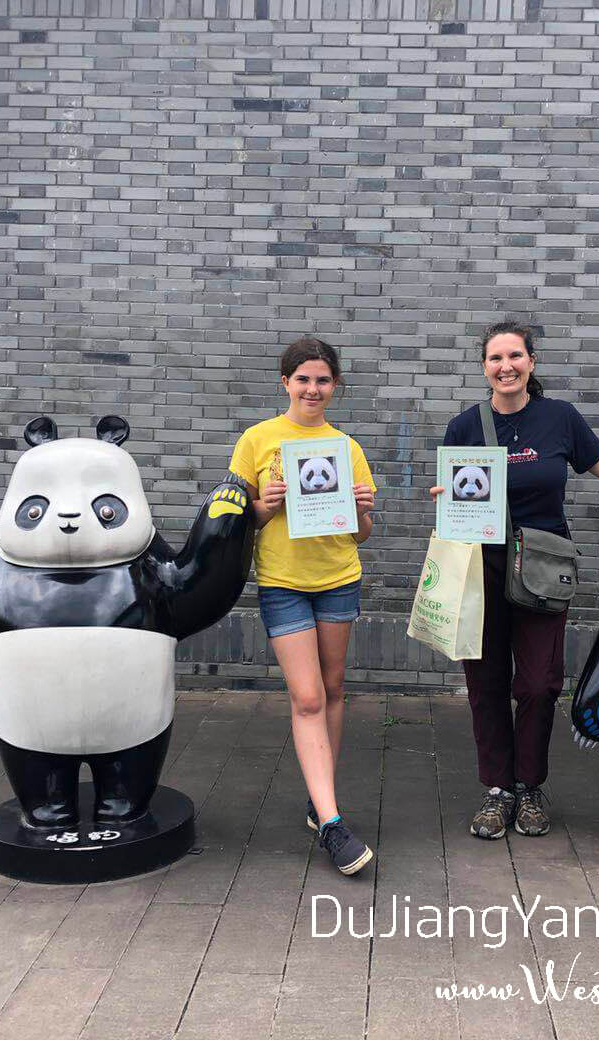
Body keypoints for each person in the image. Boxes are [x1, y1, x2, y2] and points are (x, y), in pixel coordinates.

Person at [433, 321, 599, 840]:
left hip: (544, 570)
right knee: (485, 685)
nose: (506, 366)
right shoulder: (464, 427)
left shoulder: (560, 419)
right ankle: (498, 790)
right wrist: (446, 503)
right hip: (480, 568)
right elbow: (456, 505)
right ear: (484, 367)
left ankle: (529, 786)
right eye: (496, 358)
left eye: (515, 356)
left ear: (531, 362)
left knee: (538, 685)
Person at [229, 337, 377, 875]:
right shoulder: (258, 440)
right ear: (284, 382)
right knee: (309, 697)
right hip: (283, 581)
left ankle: (321, 802)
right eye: (303, 378)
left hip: (338, 577)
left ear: (334, 386)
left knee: (334, 689)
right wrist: (263, 507)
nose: (312, 388)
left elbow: (360, 535)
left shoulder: (347, 447)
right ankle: (335, 827)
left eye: (322, 379)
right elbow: (236, 521)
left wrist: (362, 511)